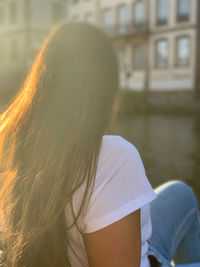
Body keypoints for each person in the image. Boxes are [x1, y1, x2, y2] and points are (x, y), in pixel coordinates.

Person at [0, 22, 199, 267]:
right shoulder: (113, 158)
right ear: (107, 93)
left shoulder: (16, 149)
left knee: (181, 193)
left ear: (41, 84)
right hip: (143, 259)